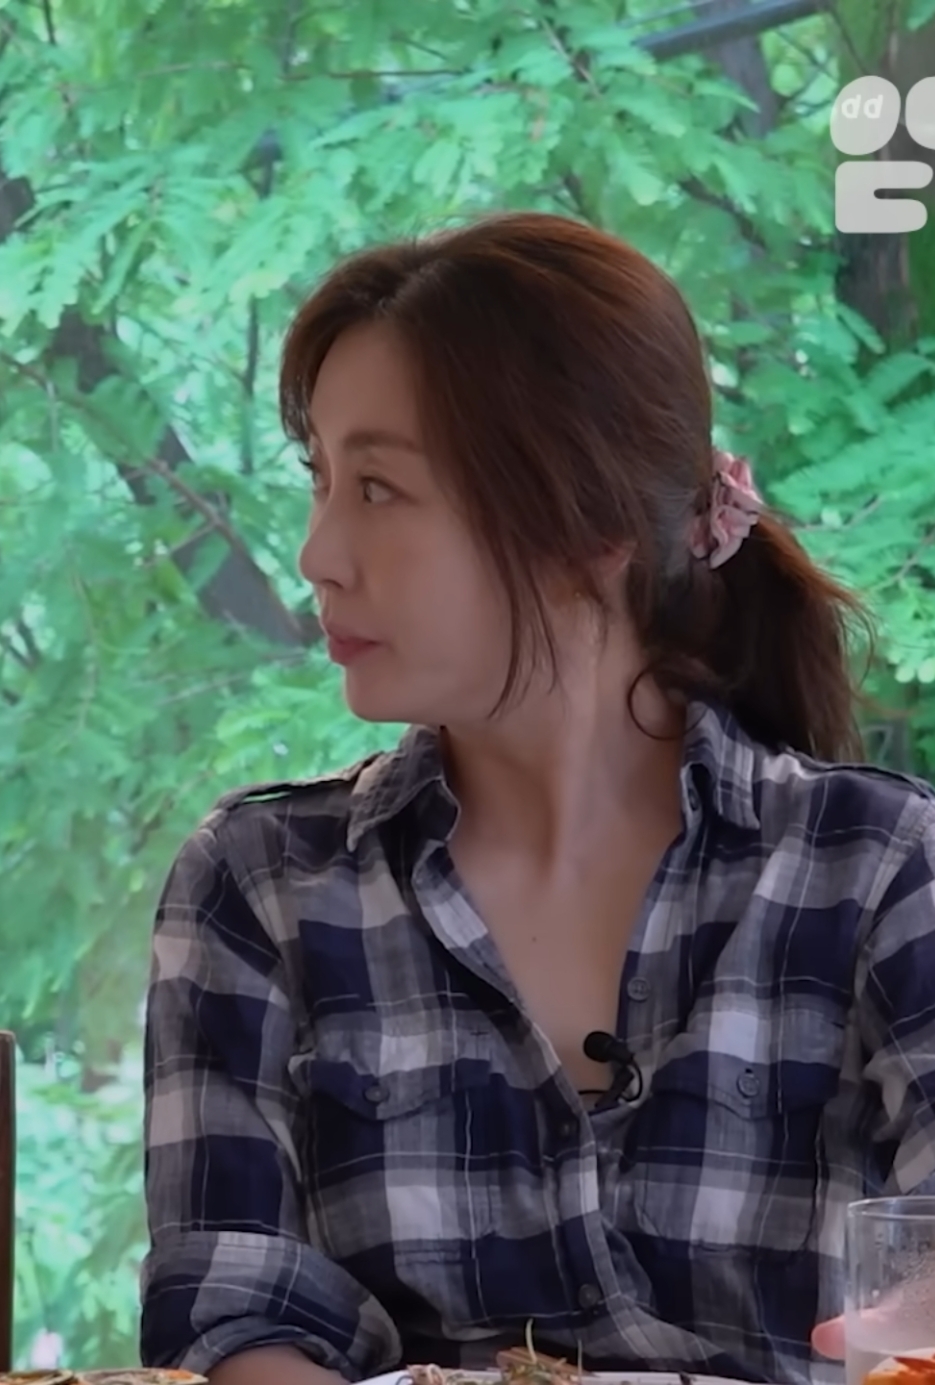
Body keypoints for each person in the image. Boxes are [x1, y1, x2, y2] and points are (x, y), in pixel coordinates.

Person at [139, 212, 935, 1385]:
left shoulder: (878, 865)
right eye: (319, 481)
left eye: (377, 488)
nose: (316, 552)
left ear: (589, 525)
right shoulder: (258, 882)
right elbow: (231, 1307)